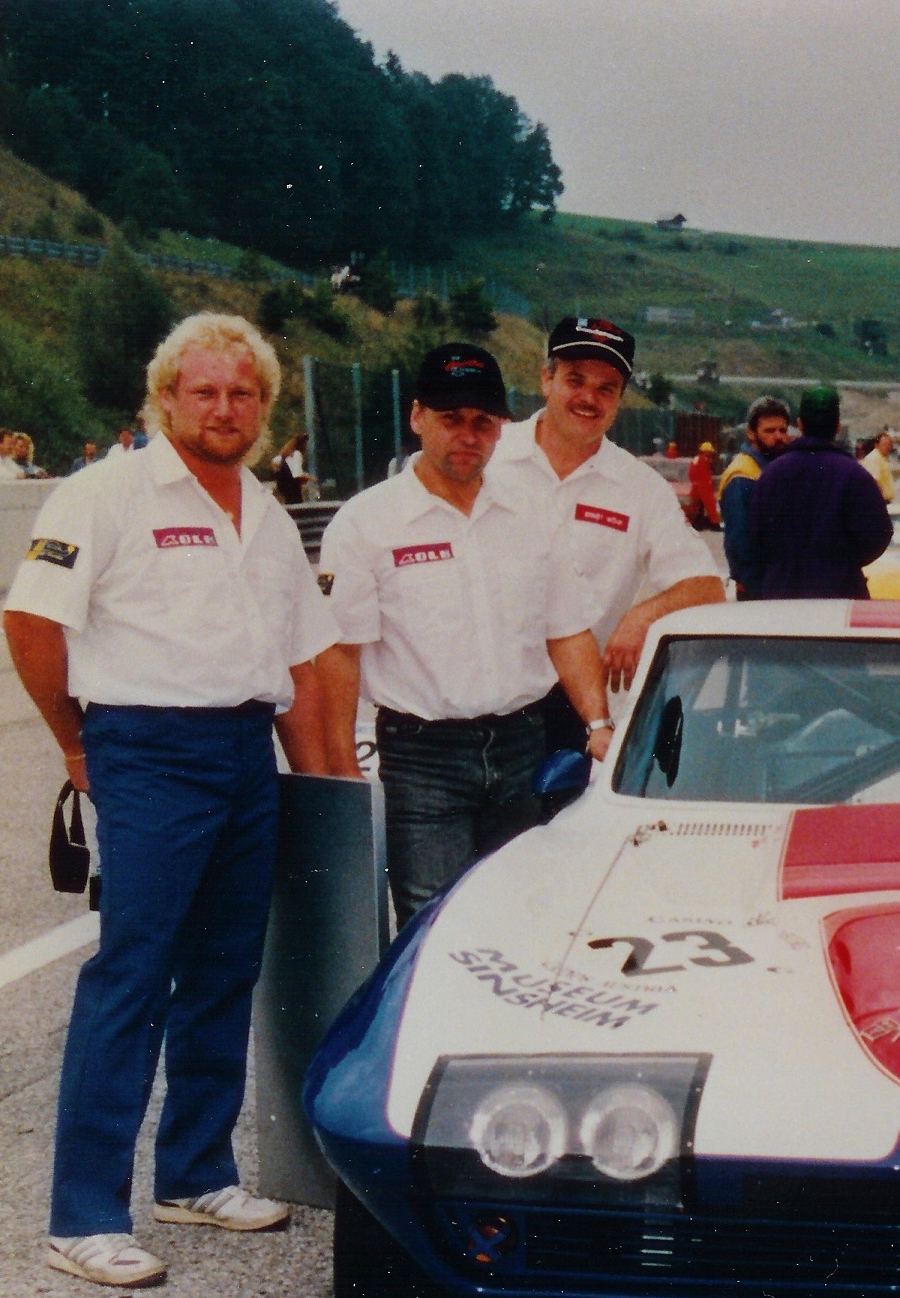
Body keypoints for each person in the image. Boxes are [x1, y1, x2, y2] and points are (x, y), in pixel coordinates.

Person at [4, 312, 338, 1287]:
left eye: (242, 393)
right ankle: (83, 1215)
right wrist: (78, 744)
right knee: (133, 972)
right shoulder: (104, 492)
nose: (224, 408)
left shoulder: (265, 513)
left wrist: (321, 785)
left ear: (263, 407)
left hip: (244, 750)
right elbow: (31, 620)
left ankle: (195, 1173)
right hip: (146, 750)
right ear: (165, 399)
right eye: (205, 391)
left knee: (227, 967)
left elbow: (303, 657)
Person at [316, 344, 614, 923]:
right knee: (434, 924)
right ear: (417, 416)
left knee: (521, 918)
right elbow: (339, 655)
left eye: (483, 422)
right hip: (423, 760)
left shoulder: (533, 511)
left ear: (501, 428)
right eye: (451, 419)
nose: (467, 436)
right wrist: (342, 770)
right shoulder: (365, 523)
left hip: (524, 747)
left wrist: (598, 725)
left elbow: (568, 632)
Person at [488, 316, 723, 758]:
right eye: (575, 380)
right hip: (479, 699)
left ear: (619, 399)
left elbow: (707, 588)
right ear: (546, 379)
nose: (588, 399)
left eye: (605, 388)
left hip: (578, 708)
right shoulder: (489, 456)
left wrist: (641, 616)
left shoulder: (640, 487)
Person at [746, 383, 893, 599]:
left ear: (800, 424)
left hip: (781, 594)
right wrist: (844, 563)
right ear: (837, 426)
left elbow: (754, 536)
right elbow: (879, 534)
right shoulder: (856, 475)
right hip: (840, 592)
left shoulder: (770, 475)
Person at [718, 395, 791, 599]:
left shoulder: (769, 469)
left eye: (782, 430)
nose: (779, 437)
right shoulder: (742, 477)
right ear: (751, 433)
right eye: (769, 431)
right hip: (759, 593)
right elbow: (740, 546)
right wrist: (759, 591)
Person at [271, 433, 315, 504]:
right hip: (293, 490)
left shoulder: (286, 455)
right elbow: (297, 475)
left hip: (285, 490)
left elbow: (274, 462)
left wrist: (280, 474)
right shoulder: (297, 454)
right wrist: (312, 479)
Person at [859, 430, 897, 503]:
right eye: (884, 444)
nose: (887, 447)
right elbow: (874, 481)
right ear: (876, 445)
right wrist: (879, 500)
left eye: (889, 444)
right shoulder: (874, 458)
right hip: (879, 501)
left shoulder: (882, 458)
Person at [688, 440, 719, 526]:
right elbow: (698, 473)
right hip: (703, 487)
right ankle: (713, 523)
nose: (710, 454)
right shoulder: (702, 460)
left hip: (700, 486)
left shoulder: (698, 459)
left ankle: (700, 523)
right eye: (709, 452)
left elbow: (692, 473)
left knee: (699, 506)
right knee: (708, 505)